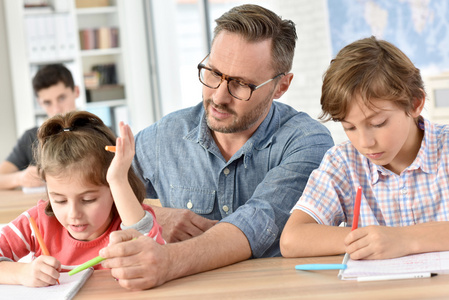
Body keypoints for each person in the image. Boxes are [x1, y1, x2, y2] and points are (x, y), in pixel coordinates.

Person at [99, 4, 333, 290]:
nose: (219, 97)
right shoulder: (167, 136)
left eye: (241, 84)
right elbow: (93, 191)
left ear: (281, 86)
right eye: (213, 73)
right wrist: (155, 216)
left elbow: (259, 220)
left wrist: (168, 261)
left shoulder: (307, 142)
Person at [280, 36, 449, 261]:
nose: (364, 142)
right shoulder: (343, 162)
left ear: (415, 103)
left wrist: (403, 239)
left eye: (378, 124)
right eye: (349, 127)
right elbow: (292, 239)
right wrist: (371, 240)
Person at [0, 111, 165, 287]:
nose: (74, 214)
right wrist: (22, 273)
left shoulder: (130, 220)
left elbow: (154, 260)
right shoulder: (37, 222)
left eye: (88, 200)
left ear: (112, 190)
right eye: (60, 201)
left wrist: (118, 179)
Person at [0, 64, 79, 190]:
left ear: (76, 92)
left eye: (62, 98)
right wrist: (20, 178)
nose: (56, 109)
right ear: (39, 103)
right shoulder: (31, 137)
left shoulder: (100, 132)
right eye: (47, 102)